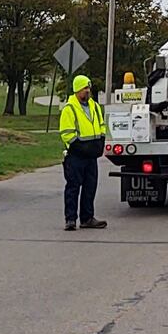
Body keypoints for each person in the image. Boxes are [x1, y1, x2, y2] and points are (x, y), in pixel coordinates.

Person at [59, 73, 107, 232]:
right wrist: (80, 147)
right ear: (78, 90)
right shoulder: (70, 108)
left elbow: (101, 125)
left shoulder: (94, 106)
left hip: (91, 155)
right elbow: (67, 133)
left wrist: (100, 142)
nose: (88, 91)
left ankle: (87, 218)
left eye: (89, 88)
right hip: (76, 155)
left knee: (90, 187)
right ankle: (70, 219)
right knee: (73, 187)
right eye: (85, 88)